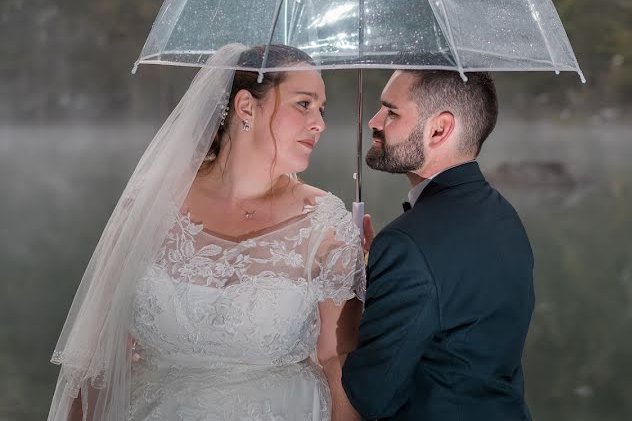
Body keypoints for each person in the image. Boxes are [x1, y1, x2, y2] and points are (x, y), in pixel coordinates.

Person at [48, 44, 368, 421]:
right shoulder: (152, 202)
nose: (319, 123)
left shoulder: (327, 224)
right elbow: (99, 355)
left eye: (321, 109)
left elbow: (337, 361)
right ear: (246, 106)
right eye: (304, 104)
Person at [342, 70, 535, 420]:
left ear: (438, 129)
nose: (374, 120)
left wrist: (347, 295)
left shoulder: (406, 244)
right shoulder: (505, 218)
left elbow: (371, 394)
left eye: (391, 112)